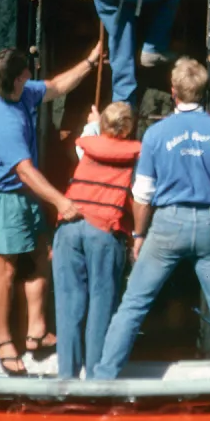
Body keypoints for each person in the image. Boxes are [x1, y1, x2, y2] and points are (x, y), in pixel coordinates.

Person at [93, 57, 210, 381]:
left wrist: (139, 236)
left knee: (133, 305)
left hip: (169, 224)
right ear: (205, 91)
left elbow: (142, 195)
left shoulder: (156, 135)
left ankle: (103, 378)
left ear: (173, 93)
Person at [0, 42, 101, 376]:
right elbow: (25, 171)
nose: (32, 75)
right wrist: (61, 201)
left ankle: (36, 331)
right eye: (27, 72)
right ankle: (4, 341)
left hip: (23, 196)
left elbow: (57, 87)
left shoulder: (22, 92)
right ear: (18, 78)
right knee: (6, 270)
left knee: (44, 258)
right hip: (3, 199)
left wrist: (90, 59)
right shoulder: (3, 120)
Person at [52, 100, 142, 379]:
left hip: (69, 228)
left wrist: (95, 121)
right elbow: (140, 196)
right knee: (101, 306)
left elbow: (90, 134)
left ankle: (67, 376)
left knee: (68, 305)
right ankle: (95, 378)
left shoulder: (87, 146)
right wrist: (139, 234)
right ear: (128, 131)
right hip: (104, 232)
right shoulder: (138, 157)